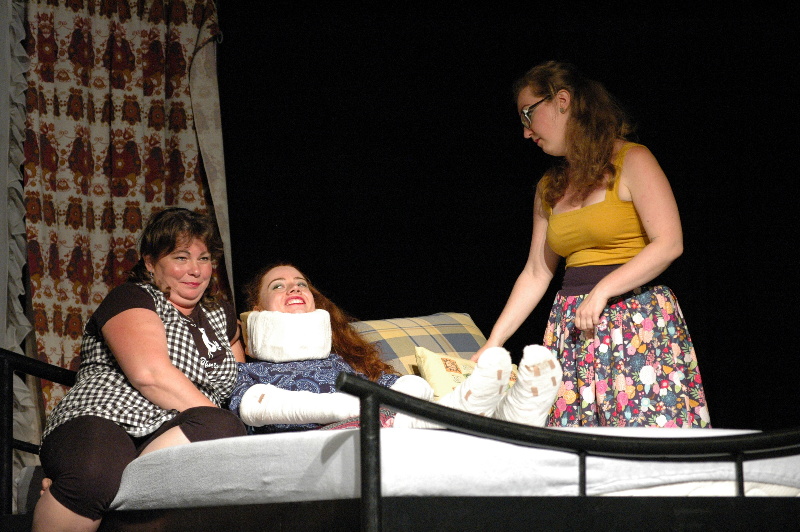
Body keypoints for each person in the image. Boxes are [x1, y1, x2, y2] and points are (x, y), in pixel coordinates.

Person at [473, 60, 710, 429]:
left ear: (562, 101)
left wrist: (602, 291)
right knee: (577, 449)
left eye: (528, 114)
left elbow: (669, 243)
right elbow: (536, 272)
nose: (526, 131)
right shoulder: (549, 188)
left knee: (645, 442)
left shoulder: (633, 159)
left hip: (635, 321)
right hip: (573, 329)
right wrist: (494, 342)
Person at [33, 208, 247, 532]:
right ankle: (107, 484)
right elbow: (150, 375)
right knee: (95, 473)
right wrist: (215, 420)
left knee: (223, 426)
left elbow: (239, 383)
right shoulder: (133, 296)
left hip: (178, 429)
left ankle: (118, 486)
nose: (195, 269)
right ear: (150, 263)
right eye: (181, 257)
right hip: (109, 414)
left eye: (203, 258)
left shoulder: (221, 316)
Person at [229, 263, 563, 433]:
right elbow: (257, 407)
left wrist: (411, 388)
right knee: (419, 424)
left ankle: (513, 416)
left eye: (301, 283)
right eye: (278, 286)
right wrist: (349, 406)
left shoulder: (340, 363)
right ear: (257, 310)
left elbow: (399, 386)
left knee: (418, 413)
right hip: (326, 440)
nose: (293, 288)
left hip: (378, 423)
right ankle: (490, 415)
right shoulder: (249, 373)